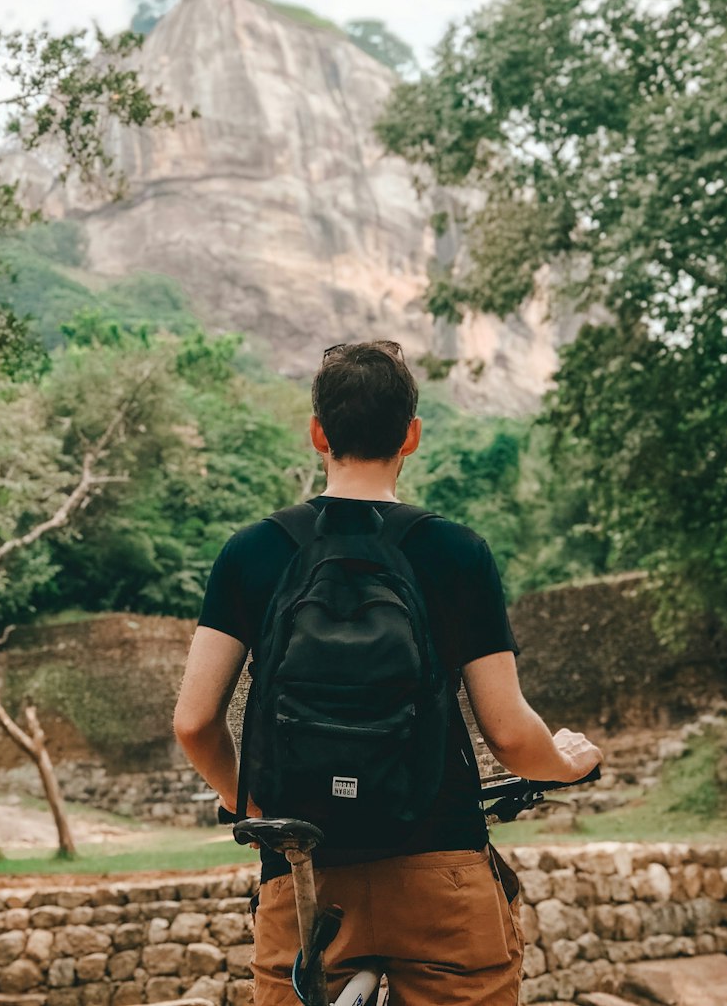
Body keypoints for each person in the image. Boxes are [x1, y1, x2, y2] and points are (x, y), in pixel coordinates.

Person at [174, 339, 602, 1006]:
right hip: (442, 877)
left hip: (306, 880)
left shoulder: (251, 552)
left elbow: (195, 722)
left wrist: (263, 807)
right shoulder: (456, 552)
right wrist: (568, 762)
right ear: (412, 435)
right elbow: (512, 735)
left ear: (318, 433)